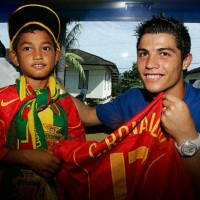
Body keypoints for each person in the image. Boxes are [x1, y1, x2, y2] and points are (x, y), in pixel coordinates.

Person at [72, 14, 200, 198]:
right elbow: (87, 114)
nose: (149, 64)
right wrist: (50, 85)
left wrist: (188, 138)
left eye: (164, 54)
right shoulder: (132, 99)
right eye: (143, 54)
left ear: (186, 61)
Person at [0, 4, 85, 199]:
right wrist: (26, 156)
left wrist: (59, 156)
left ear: (56, 56)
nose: (37, 55)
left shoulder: (64, 103)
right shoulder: (2, 100)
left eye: (45, 47)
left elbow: (77, 145)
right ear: (14, 57)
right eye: (27, 48)